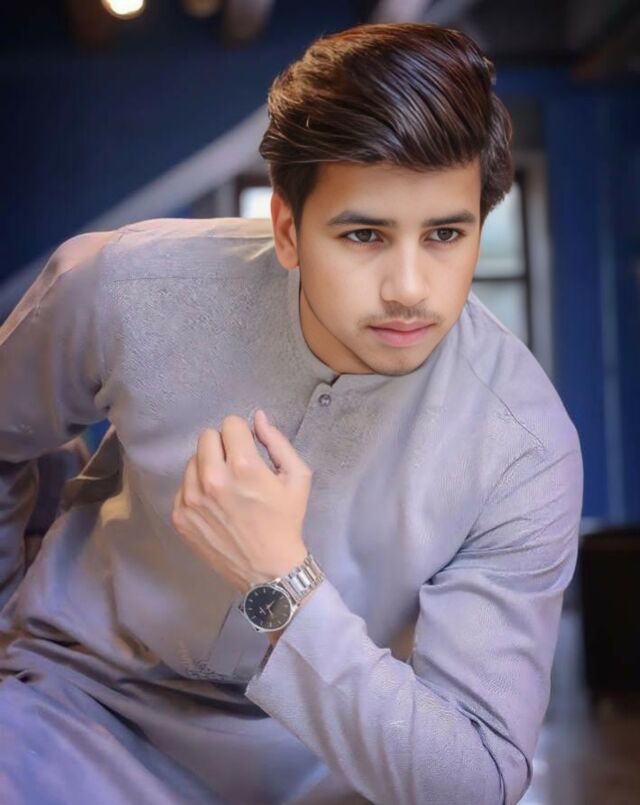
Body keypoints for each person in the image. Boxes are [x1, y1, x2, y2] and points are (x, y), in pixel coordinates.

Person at [0, 21, 583, 805]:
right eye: (365, 234)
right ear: (287, 229)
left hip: (328, 766)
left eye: (447, 233)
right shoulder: (124, 287)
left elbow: (476, 781)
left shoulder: (524, 448)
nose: (411, 288)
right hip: (72, 715)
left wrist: (279, 581)